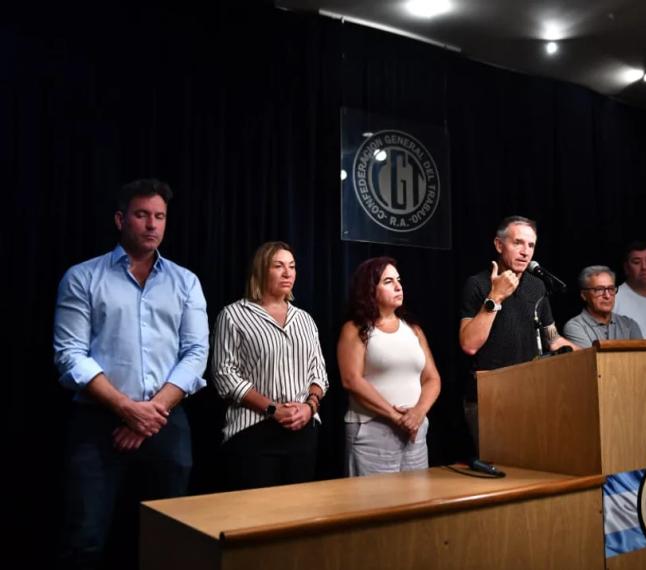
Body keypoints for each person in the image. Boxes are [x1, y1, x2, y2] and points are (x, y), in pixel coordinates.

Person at [53, 178, 209, 569]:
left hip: (166, 422)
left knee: (171, 537)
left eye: (160, 216)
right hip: (97, 423)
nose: (152, 225)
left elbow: (195, 353)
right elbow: (70, 354)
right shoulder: (82, 277)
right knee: (85, 538)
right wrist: (126, 408)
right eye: (142, 215)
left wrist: (147, 415)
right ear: (121, 219)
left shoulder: (186, 282)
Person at [211, 241, 328, 490]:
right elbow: (225, 376)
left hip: (302, 432)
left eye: (292, 266)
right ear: (262, 270)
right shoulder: (233, 315)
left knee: (298, 518)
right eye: (278, 266)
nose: (288, 273)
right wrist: (274, 409)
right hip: (253, 432)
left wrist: (309, 407)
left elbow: (319, 373)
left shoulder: (305, 319)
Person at [459, 216, 575, 448]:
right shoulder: (478, 284)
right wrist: (495, 297)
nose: (525, 251)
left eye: (531, 245)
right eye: (518, 243)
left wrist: (596, 355)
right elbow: (469, 344)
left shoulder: (537, 286)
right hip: (490, 398)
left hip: (530, 395)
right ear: (499, 245)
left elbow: (552, 339)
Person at [337, 257, 441, 476]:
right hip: (372, 433)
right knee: (374, 506)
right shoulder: (355, 328)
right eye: (388, 281)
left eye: (399, 280)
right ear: (369, 289)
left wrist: (418, 413)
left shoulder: (413, 329)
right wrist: (398, 418)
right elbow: (351, 379)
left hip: (415, 433)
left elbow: (432, 378)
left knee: (416, 504)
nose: (398, 286)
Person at [563, 265, 643, 348]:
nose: (607, 296)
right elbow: (593, 360)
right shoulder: (575, 327)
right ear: (584, 295)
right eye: (599, 289)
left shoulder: (629, 325)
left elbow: (643, 358)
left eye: (611, 288)